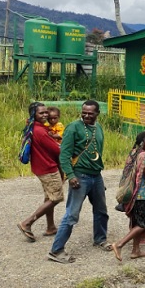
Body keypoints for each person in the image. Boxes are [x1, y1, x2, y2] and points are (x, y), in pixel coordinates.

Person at [48, 100, 109, 264]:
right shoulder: (73, 127)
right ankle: (56, 250)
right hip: (80, 176)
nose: (87, 115)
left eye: (90, 113)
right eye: (84, 112)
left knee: (101, 211)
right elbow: (64, 154)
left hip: (96, 176)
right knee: (72, 215)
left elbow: (98, 152)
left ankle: (100, 239)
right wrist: (70, 175)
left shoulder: (98, 128)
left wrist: (99, 177)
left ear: (97, 114)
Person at [112, 132, 145, 261]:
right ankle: (119, 244)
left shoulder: (134, 155)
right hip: (143, 197)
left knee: (137, 223)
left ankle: (136, 250)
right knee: (142, 224)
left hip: (133, 197)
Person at [17, 102, 64, 241]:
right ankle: (27, 223)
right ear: (34, 114)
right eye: (41, 113)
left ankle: (51, 227)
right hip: (48, 168)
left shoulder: (34, 127)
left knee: (49, 197)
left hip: (40, 167)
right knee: (56, 197)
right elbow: (57, 150)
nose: (45, 115)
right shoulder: (41, 132)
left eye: (45, 112)